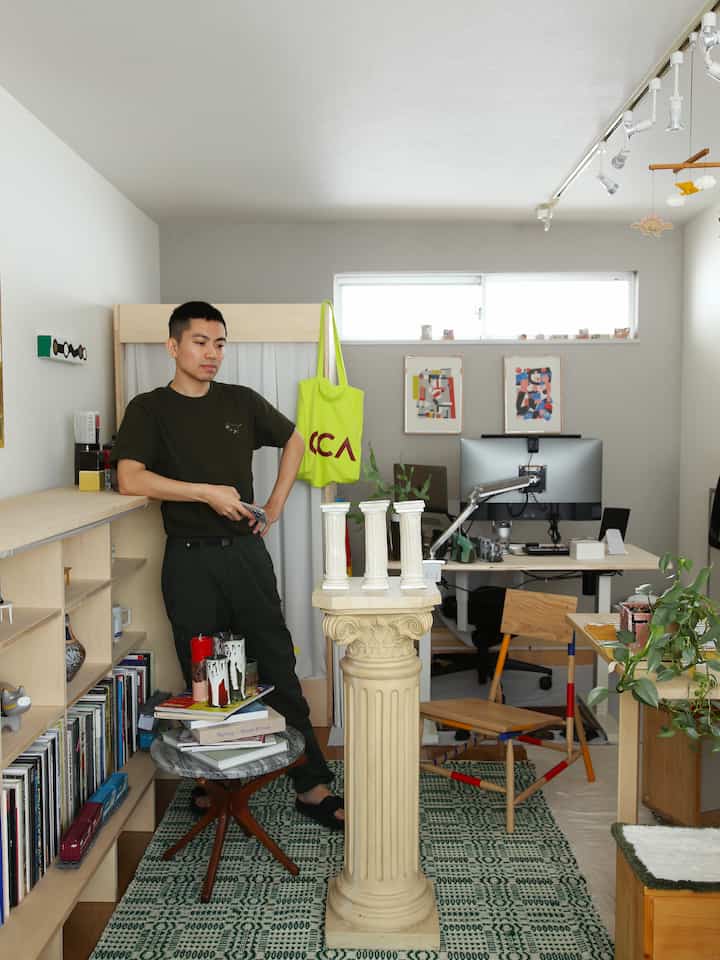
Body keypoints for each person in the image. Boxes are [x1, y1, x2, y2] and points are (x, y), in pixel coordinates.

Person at [113, 301, 343, 829]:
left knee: (277, 664)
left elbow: (294, 439)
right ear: (173, 347)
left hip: (245, 557)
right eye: (199, 342)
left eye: (219, 343)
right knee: (212, 680)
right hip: (189, 562)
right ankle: (216, 782)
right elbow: (131, 478)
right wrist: (205, 494)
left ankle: (312, 784)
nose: (211, 353)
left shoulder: (240, 401)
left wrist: (278, 504)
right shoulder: (149, 409)